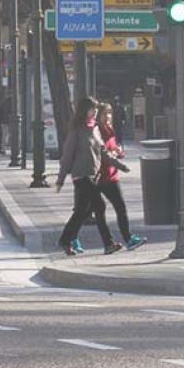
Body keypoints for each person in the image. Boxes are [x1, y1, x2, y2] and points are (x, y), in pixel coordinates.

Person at [56, 97, 124, 256]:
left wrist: (119, 165)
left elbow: (103, 152)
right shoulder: (76, 130)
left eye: (95, 109)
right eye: (92, 109)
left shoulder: (94, 129)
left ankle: (65, 240)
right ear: (84, 111)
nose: (95, 112)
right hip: (81, 175)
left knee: (82, 211)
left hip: (94, 175)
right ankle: (109, 243)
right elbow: (67, 156)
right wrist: (60, 179)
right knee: (99, 205)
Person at [95, 103, 146, 250]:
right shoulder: (98, 132)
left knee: (108, 208)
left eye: (109, 113)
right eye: (104, 114)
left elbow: (115, 150)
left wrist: (119, 152)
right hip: (103, 175)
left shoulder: (110, 130)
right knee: (103, 209)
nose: (108, 116)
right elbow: (103, 154)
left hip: (111, 174)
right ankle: (125, 239)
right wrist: (119, 162)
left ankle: (113, 242)